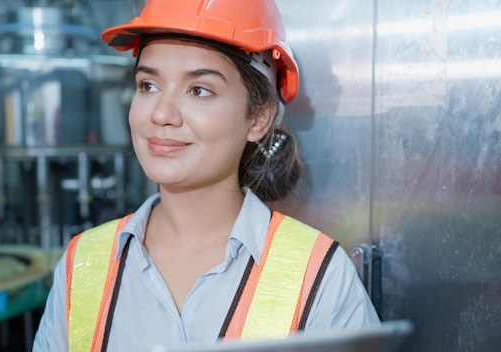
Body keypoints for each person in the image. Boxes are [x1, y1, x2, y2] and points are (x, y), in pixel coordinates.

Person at [33, 0, 380, 351]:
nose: (161, 114)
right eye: (148, 86)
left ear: (258, 118)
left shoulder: (319, 274)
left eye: (199, 90)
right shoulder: (83, 262)